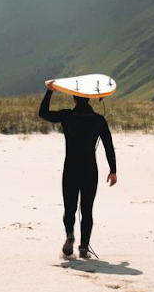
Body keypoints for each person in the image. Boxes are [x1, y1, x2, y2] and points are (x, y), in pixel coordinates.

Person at [39, 82, 117, 259]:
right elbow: (108, 146)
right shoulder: (99, 120)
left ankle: (69, 235)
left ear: (74, 99)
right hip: (90, 170)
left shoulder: (67, 116)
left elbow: (43, 113)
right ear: (89, 99)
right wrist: (113, 170)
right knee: (87, 209)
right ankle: (83, 247)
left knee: (70, 208)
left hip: (71, 168)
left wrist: (49, 92)